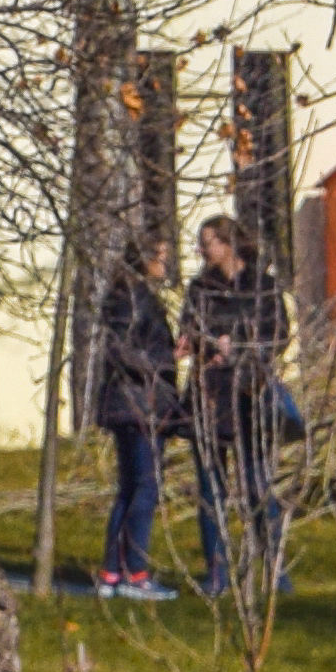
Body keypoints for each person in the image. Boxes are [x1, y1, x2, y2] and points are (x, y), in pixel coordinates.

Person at [180, 211, 289, 596]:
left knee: (259, 485)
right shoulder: (199, 290)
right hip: (208, 397)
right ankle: (217, 576)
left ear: (226, 244)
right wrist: (207, 344)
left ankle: (276, 573)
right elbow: (188, 334)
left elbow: (278, 335)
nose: (200, 249)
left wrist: (238, 344)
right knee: (212, 491)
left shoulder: (262, 287)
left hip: (248, 395)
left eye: (206, 242)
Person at [85, 237, 182, 598]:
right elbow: (123, 351)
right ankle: (135, 574)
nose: (164, 266)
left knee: (129, 488)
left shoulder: (125, 298)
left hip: (129, 401)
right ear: (143, 261)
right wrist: (164, 364)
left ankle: (112, 572)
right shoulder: (133, 299)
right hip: (141, 402)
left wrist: (169, 353)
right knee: (145, 487)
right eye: (160, 257)